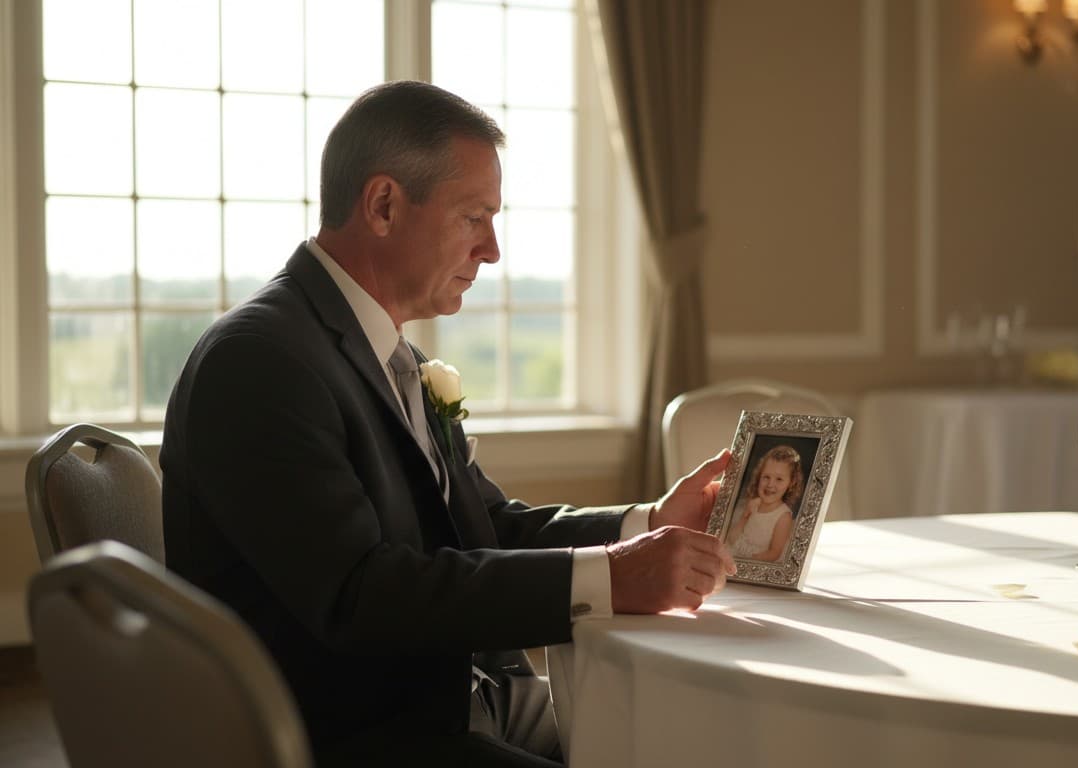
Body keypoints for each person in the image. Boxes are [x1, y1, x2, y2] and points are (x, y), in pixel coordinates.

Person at [159, 80, 736, 768]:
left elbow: (484, 525)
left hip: (464, 692)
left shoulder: (392, 356)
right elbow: (361, 598)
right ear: (383, 206)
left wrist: (644, 523)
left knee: (682, 739)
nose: (492, 250)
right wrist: (613, 578)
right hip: (372, 735)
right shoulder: (261, 361)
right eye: (474, 217)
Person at [724, 445, 802, 562]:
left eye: (779, 479)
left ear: (791, 483)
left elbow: (774, 554)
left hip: (756, 562)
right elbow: (732, 538)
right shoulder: (752, 504)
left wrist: (747, 562)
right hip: (735, 555)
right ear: (759, 476)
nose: (770, 484)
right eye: (766, 477)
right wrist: (745, 515)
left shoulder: (783, 517)